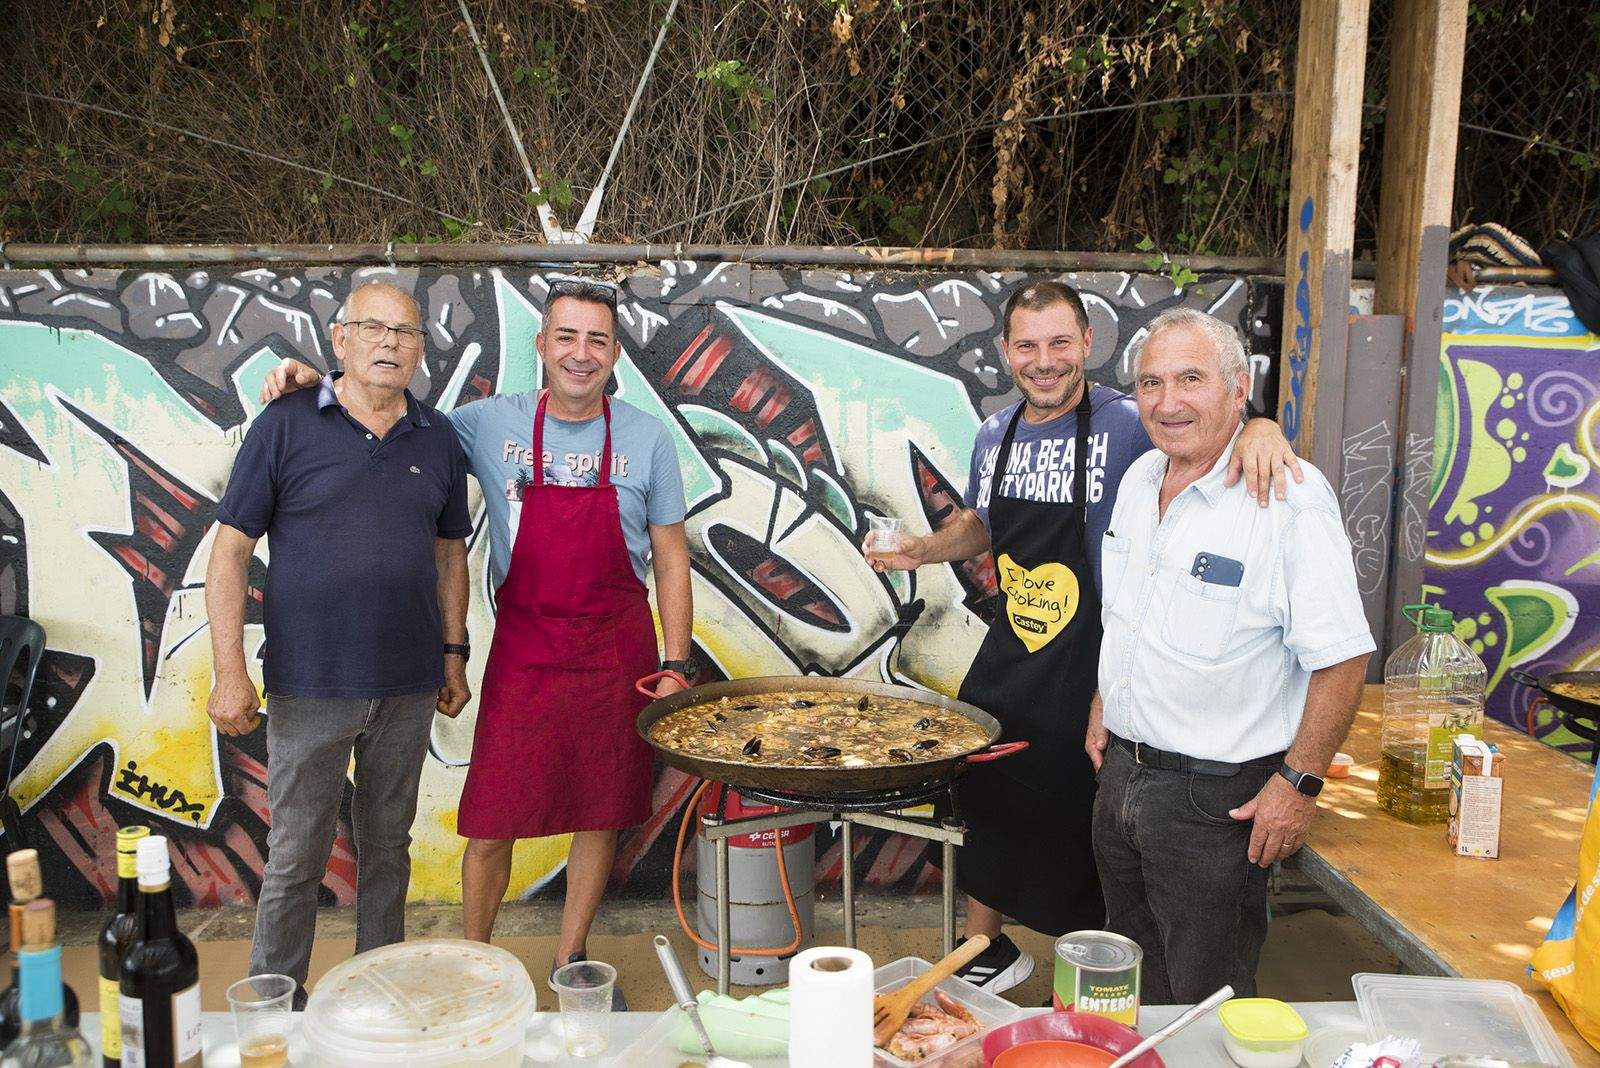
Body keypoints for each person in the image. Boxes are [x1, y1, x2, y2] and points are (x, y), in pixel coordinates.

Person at [260, 276, 692, 1008]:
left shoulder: (648, 439)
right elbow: (389, 412)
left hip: (618, 653)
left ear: (615, 352)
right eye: (566, 337)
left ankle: (571, 959)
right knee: (493, 821)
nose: (580, 354)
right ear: (542, 346)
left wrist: (677, 664)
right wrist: (317, 383)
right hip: (526, 650)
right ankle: (477, 965)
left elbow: (672, 557)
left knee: (601, 811)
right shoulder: (483, 423)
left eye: (597, 340)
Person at [866, 281, 1300, 992]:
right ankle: (988, 946)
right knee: (987, 780)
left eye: (1060, 342)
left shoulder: (1129, 423)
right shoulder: (994, 433)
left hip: (1104, 649)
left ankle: (1101, 954)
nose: (1045, 361)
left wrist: (1261, 425)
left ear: (1087, 344)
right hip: (1019, 640)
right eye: (1028, 345)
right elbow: (985, 524)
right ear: (1006, 352)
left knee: (1090, 805)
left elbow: (1214, 430)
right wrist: (923, 548)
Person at [1088, 307, 1373, 1003]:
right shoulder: (1137, 480)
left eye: (1191, 379)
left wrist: (1298, 785)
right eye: (1151, 383)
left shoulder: (1287, 499)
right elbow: (1131, 606)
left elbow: (1342, 658)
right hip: (1120, 776)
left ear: (1238, 392)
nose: (1168, 401)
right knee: (1131, 979)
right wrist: (1108, 698)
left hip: (1215, 803)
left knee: (1207, 997)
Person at [206, 282, 473, 1004]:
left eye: (406, 333)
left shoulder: (439, 437)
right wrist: (228, 673)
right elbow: (229, 551)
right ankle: (272, 1008)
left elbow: (451, 554)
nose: (390, 343)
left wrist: (454, 654)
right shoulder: (286, 423)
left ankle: (376, 997)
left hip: (409, 684)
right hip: (310, 684)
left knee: (388, 850)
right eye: (373, 328)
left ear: (422, 349)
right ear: (340, 339)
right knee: (295, 857)